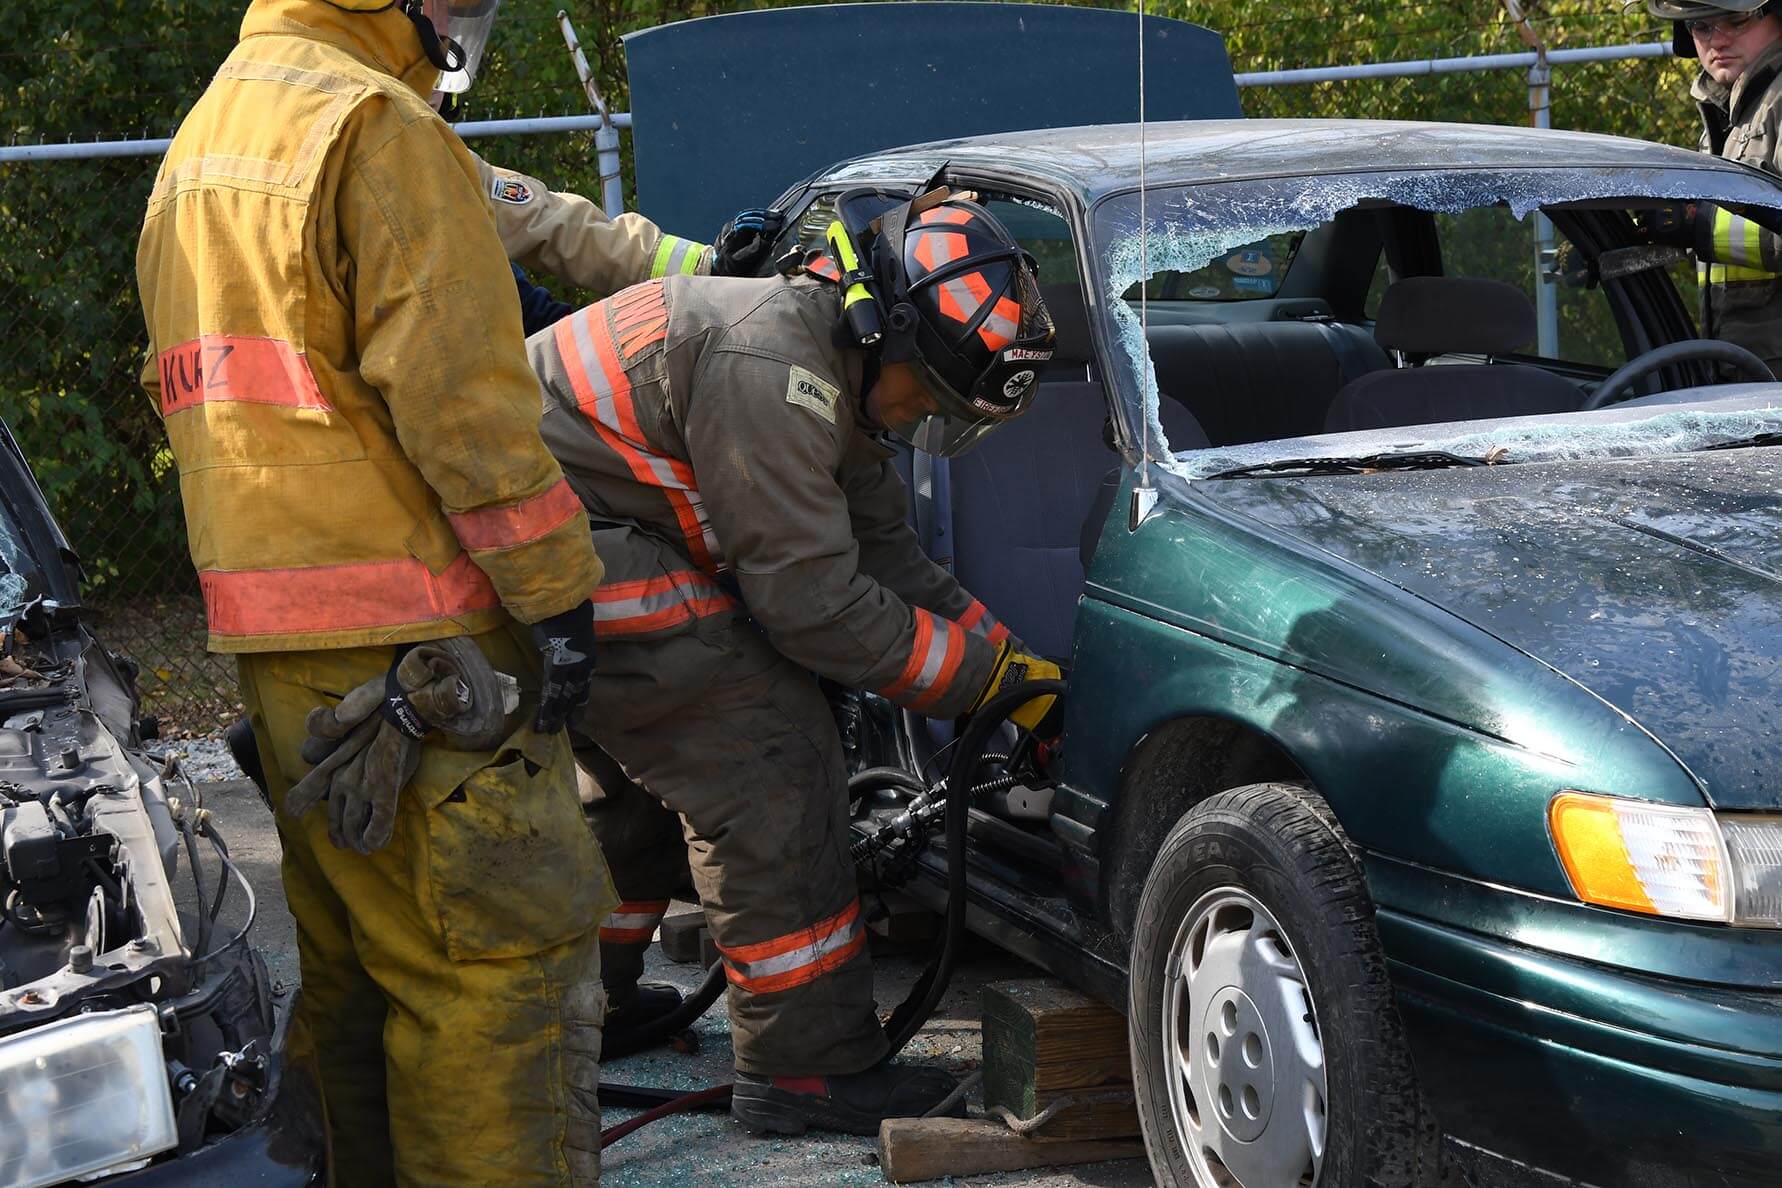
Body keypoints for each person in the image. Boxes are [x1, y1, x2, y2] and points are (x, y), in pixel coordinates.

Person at [135, 0, 614, 1182]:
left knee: (357, 970)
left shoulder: (205, 141)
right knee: (496, 979)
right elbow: (466, 405)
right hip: (426, 652)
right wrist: (557, 594)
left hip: (283, 652)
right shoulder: (375, 125)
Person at [529, 183, 1063, 1135]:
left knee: (641, 772)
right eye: (930, 402)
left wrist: (1018, 672)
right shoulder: (775, 370)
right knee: (768, 752)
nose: (923, 424)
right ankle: (806, 1068)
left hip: (566, 542)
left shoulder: (837, 370)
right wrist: (982, 685)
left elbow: (890, 562)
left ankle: (587, 1007)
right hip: (543, 552)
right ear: (885, 336)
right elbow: (814, 607)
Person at [1646, 1, 1782, 370]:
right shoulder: (1731, 111)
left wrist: (1698, 224)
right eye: (1701, 27)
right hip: (1748, 374)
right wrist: (1622, 246)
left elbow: (1712, 227)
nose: (1717, 40)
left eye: (1736, 21)